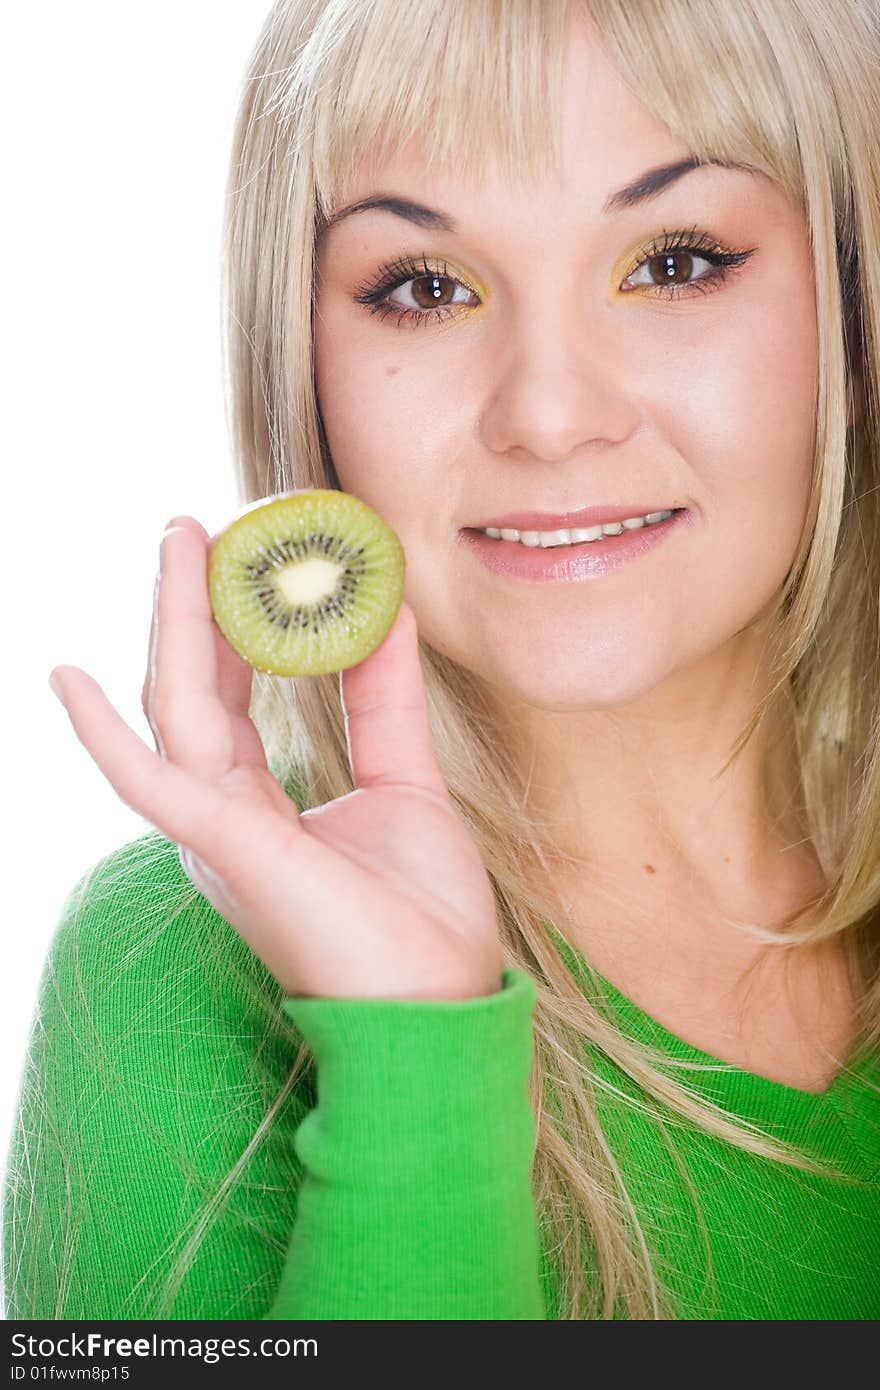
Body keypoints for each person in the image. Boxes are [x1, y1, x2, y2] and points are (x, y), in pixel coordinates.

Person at [4, 0, 879, 1321]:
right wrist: (412, 1063)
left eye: (678, 262)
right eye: (423, 287)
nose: (548, 412)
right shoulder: (173, 967)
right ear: (301, 356)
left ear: (857, 309)